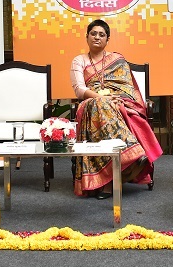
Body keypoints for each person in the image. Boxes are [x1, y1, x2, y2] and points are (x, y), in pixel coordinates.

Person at [70, 19, 163, 199]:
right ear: (87, 37)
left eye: (101, 34)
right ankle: (132, 153)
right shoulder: (79, 60)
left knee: (107, 107)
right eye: (93, 34)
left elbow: (127, 89)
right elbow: (79, 89)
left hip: (119, 103)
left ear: (108, 39)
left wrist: (114, 99)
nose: (97, 37)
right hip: (90, 103)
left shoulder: (117, 60)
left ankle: (109, 181)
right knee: (100, 105)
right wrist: (101, 98)